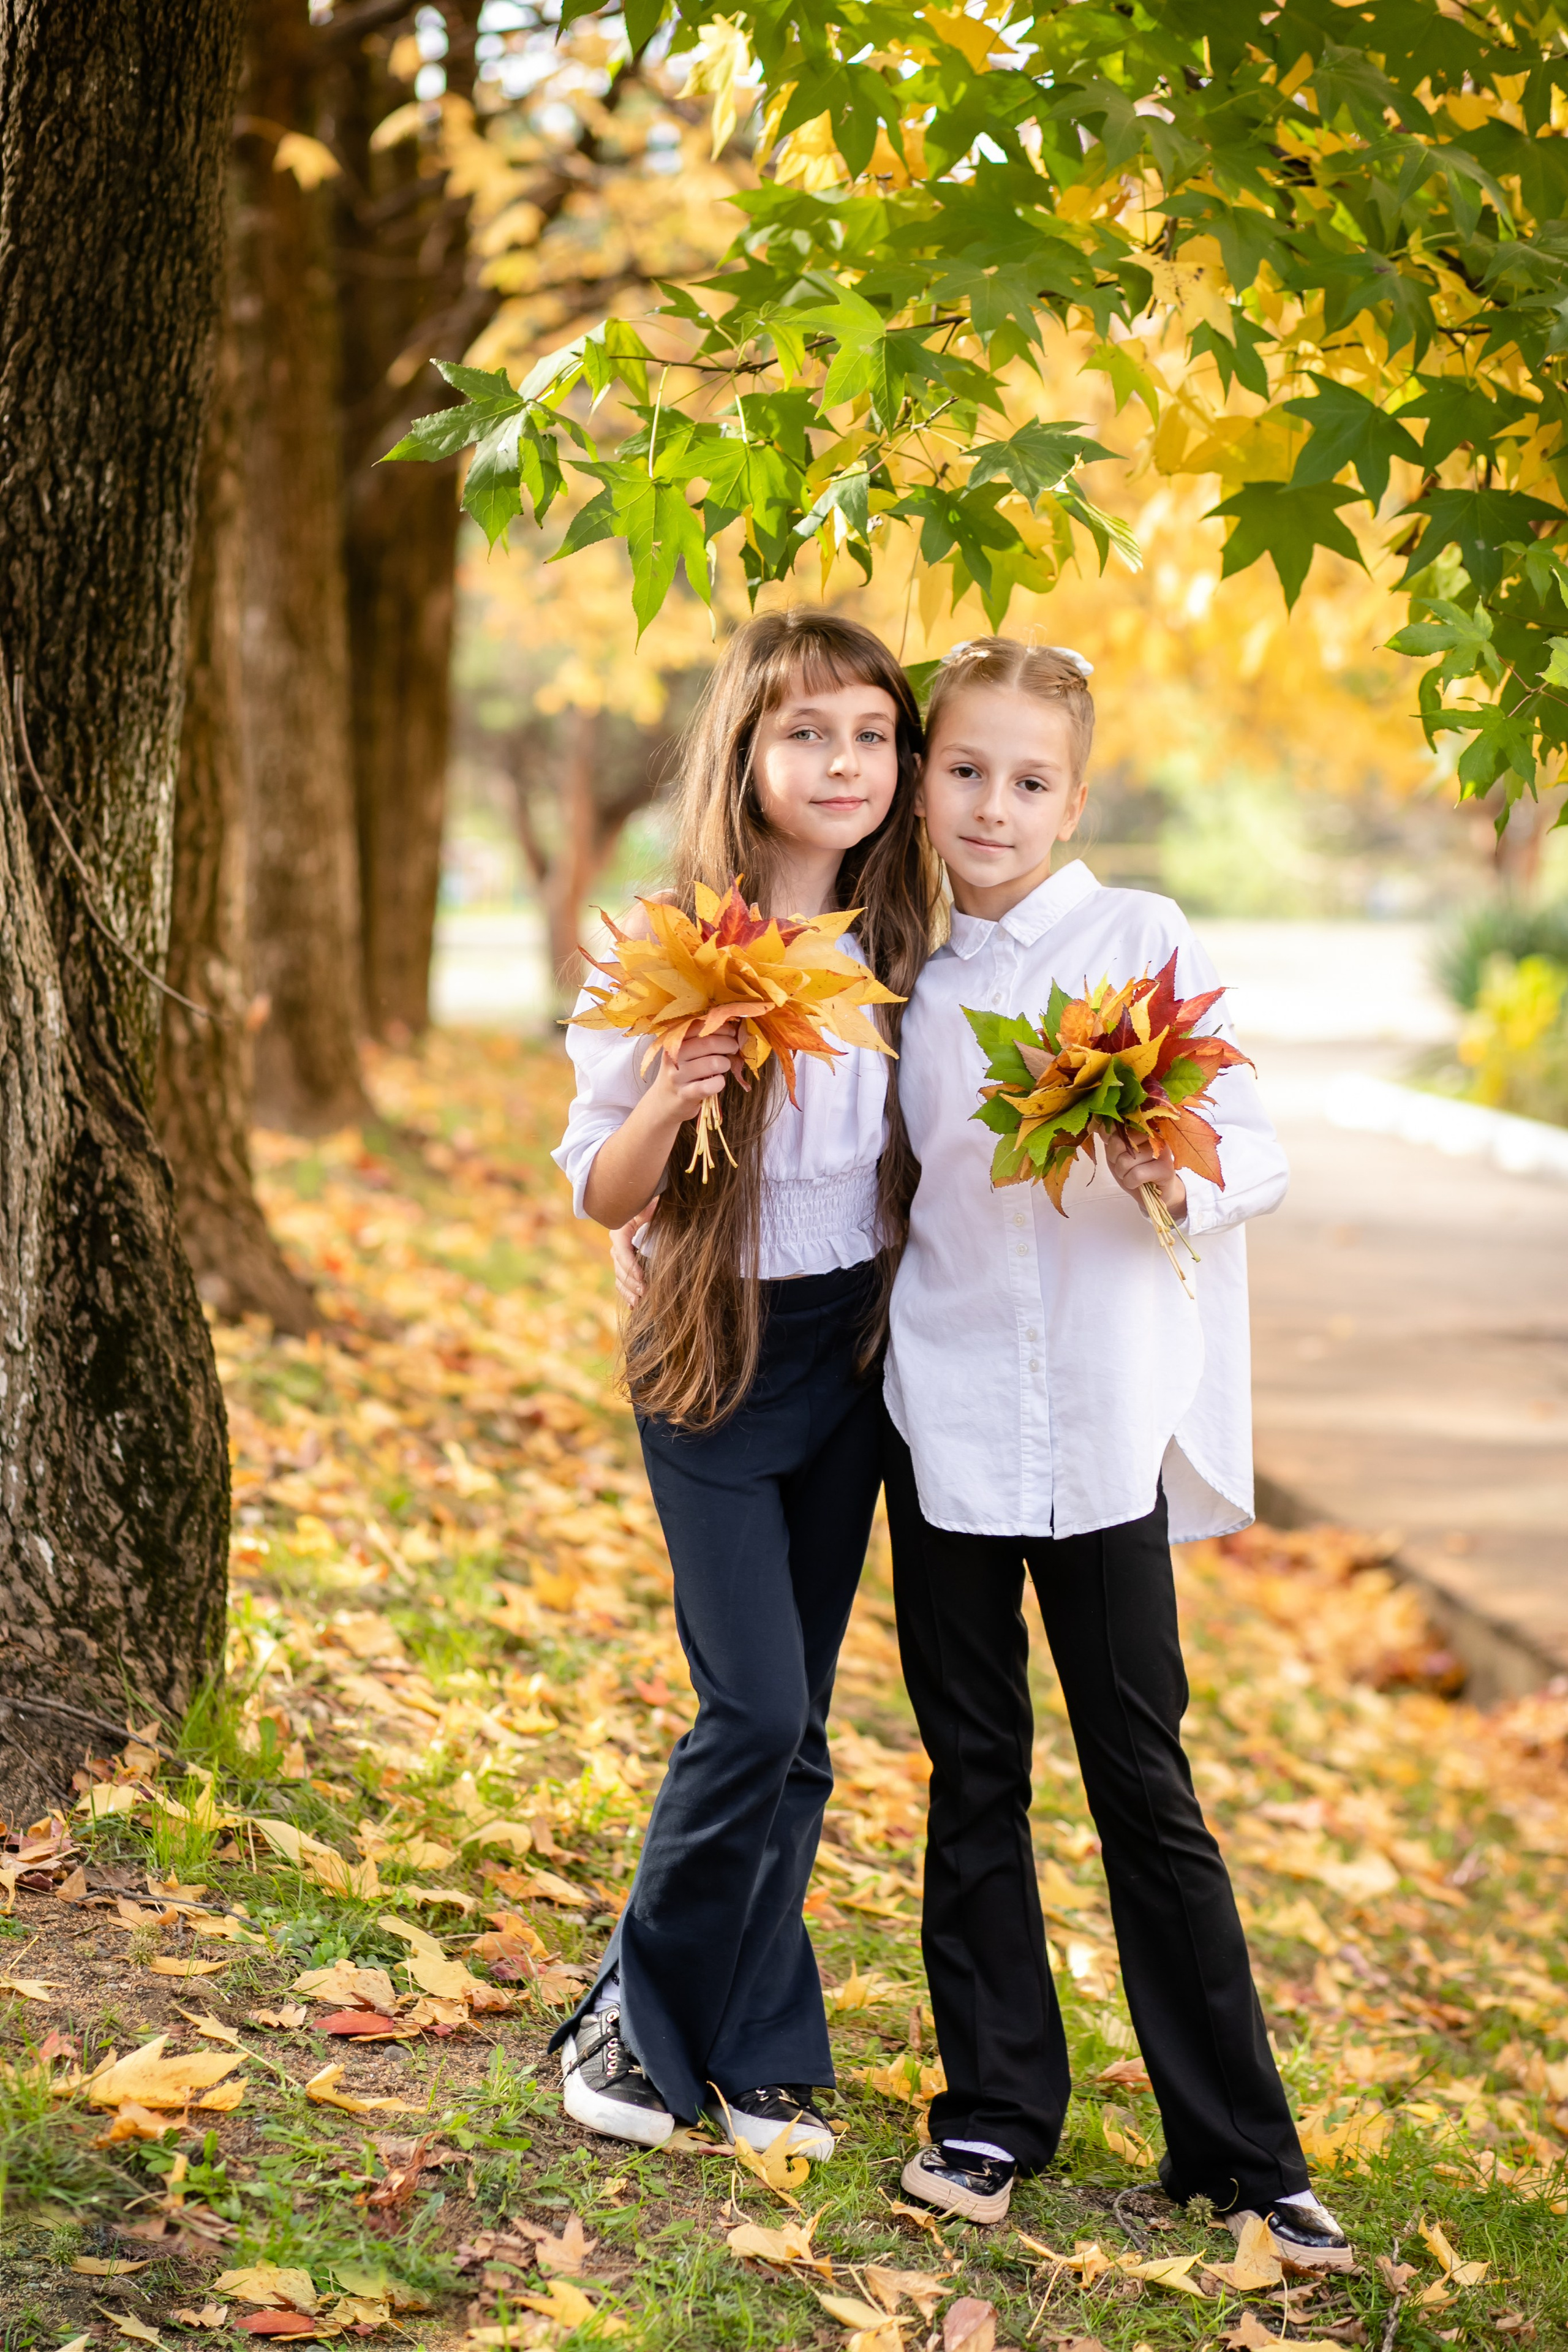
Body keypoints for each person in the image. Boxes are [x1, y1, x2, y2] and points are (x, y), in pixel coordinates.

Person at [881, 638, 1350, 2266]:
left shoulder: (1136, 940)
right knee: (977, 1776)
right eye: (964, 771)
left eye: (1028, 781)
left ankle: (1239, 2151)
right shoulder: (907, 981)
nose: (992, 806)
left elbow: (1260, 1147)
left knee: (1146, 1783)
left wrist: (1180, 1175)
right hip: (940, 1429)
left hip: (1101, 1437)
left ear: (1074, 797)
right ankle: (997, 2111)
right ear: (924, 776)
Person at [549, 608, 935, 2162]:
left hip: (851, 1352)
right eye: (805, 734)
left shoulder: (908, 950)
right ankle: (628, 2024)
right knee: (751, 1705)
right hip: (710, 1352)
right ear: (747, 752)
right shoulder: (663, 942)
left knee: (801, 1730)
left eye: (870, 737)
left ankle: (758, 2042)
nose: (840, 764)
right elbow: (598, 1187)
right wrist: (667, 1092)